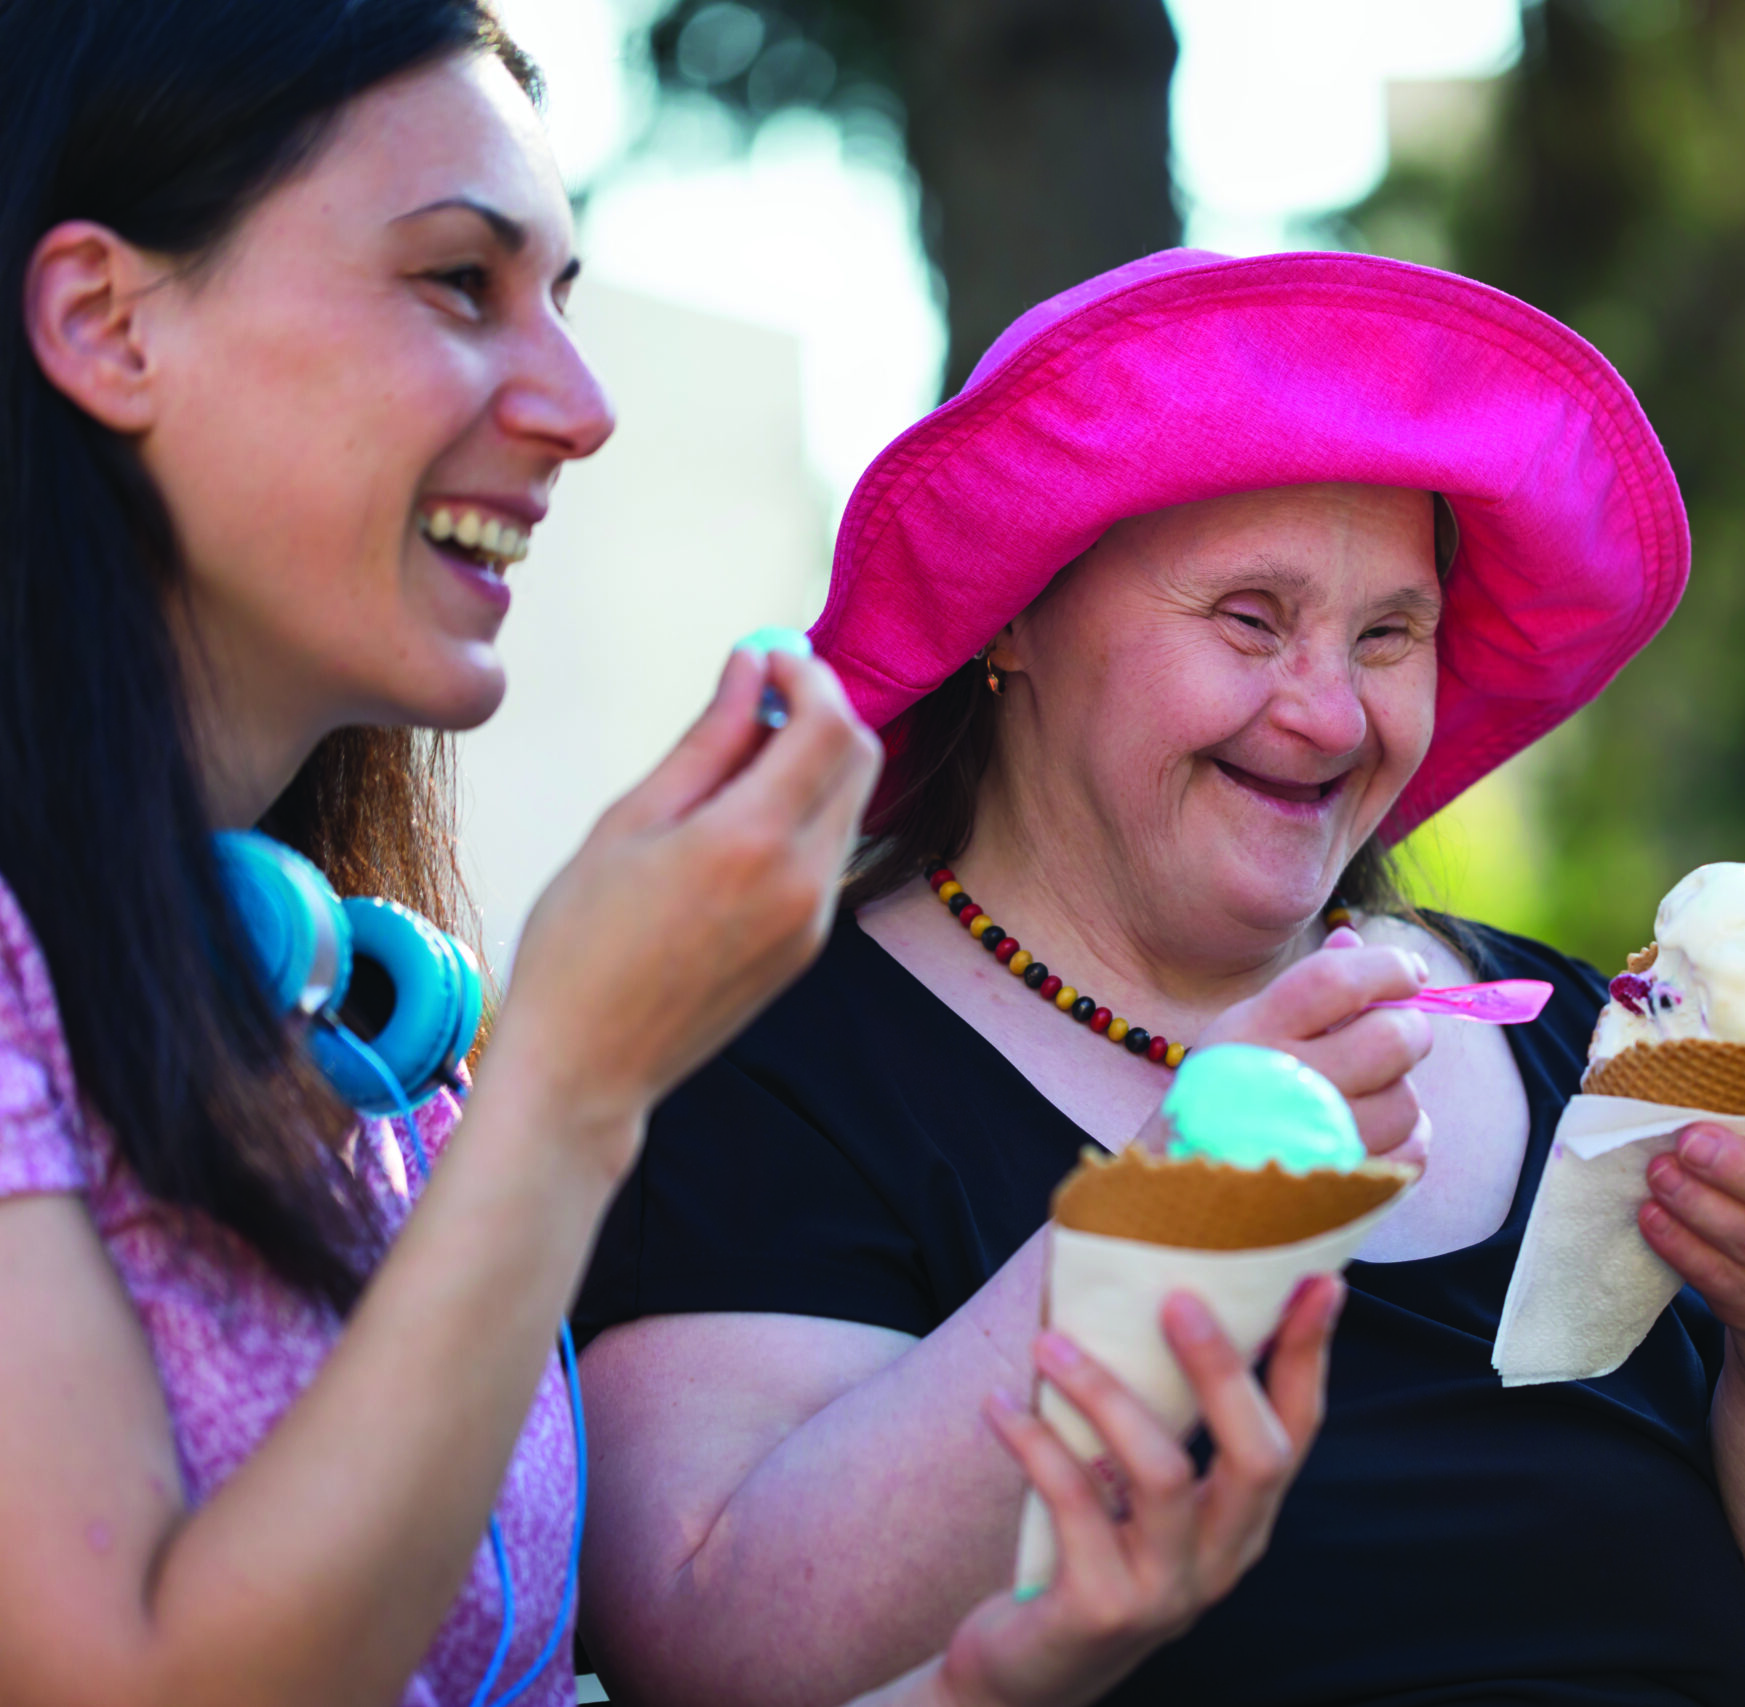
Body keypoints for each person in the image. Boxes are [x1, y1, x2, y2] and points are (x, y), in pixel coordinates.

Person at [0, 10, 1339, 1706]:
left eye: (561, 298)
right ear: (107, 323)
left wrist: (998, 1680)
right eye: (456, 284)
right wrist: (575, 1080)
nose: (580, 404)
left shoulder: (365, 1049)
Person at [572, 249, 1745, 1707]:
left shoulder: (1595, 1051)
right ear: (1012, 613)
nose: (1327, 712)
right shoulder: (781, 1072)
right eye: (1248, 619)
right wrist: (1174, 1217)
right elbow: (708, 1644)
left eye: (1390, 634)